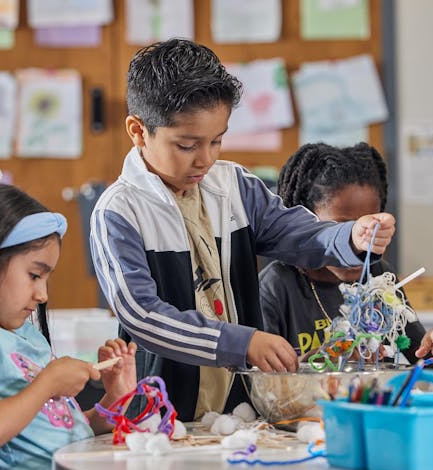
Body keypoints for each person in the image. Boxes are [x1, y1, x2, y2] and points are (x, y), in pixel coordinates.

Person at [89, 38, 395, 422]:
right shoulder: (119, 211)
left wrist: (350, 237)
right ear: (138, 130)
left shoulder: (233, 185)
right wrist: (242, 341)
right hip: (159, 413)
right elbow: (144, 317)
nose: (205, 158)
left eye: (217, 140)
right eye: (187, 145)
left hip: (240, 411)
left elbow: (299, 233)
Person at [0, 181, 138, 470]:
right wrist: (48, 383)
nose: (42, 294)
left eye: (46, 278)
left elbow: (61, 431)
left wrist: (114, 402)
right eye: (34, 275)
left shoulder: (27, 336)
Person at [259, 142, 433, 364]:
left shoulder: (379, 277)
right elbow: (261, 381)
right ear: (307, 221)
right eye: (344, 228)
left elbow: (423, 360)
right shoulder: (275, 287)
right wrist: (316, 362)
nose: (362, 244)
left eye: (371, 227)